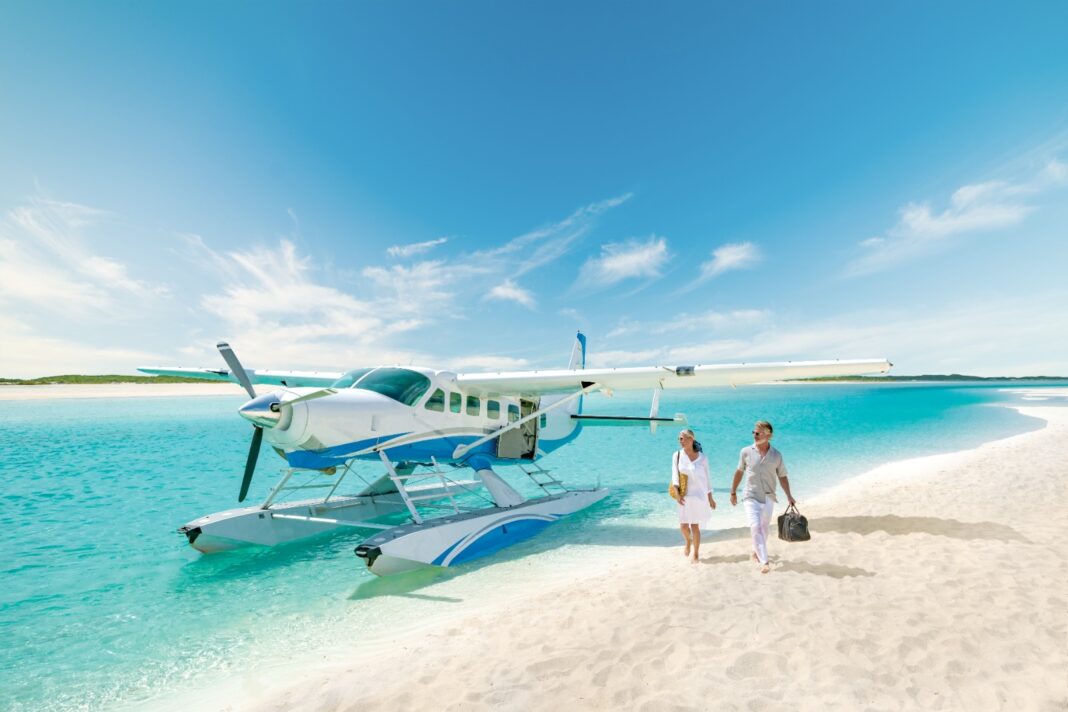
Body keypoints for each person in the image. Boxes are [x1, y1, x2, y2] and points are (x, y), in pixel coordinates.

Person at [729, 420, 795, 574]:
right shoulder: (746, 451)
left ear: (768, 435)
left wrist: (789, 496)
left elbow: (782, 476)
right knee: (755, 526)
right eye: (754, 432)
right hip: (750, 495)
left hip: (769, 496)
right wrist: (733, 491)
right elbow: (739, 472)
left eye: (758, 433)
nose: (755, 435)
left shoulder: (776, 455)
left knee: (764, 528)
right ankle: (764, 561)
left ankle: (755, 551)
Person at [672, 429, 716, 563]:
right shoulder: (677, 455)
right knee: (683, 527)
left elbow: (708, 479)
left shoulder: (702, 458)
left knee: (695, 526)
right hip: (684, 495)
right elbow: (675, 475)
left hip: (699, 496)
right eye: (679, 438)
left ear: (691, 439)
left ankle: (696, 554)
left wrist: (710, 498)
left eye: (682, 438)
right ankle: (688, 541)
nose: (680, 441)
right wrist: (677, 493)